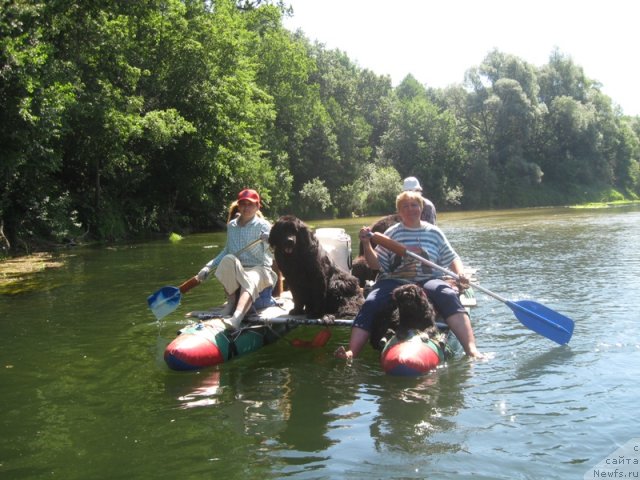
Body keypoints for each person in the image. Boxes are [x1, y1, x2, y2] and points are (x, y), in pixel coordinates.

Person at [335, 190, 482, 360]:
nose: (410, 209)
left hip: (428, 279)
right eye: (405, 206)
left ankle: (471, 349)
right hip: (394, 279)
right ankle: (352, 352)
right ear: (399, 211)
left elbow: (452, 257)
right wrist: (366, 244)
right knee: (372, 301)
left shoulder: (434, 233)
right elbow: (375, 264)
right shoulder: (391, 233)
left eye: (414, 205)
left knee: (447, 294)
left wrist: (460, 273)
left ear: (421, 208)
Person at [196, 188, 276, 329]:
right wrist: (207, 267)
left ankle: (236, 318)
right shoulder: (232, 225)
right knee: (228, 258)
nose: (246, 207)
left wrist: (270, 240)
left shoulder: (264, 225)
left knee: (251, 277)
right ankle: (231, 303)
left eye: (250, 204)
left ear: (257, 206)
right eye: (243, 204)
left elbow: (274, 251)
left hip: (260, 269)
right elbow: (227, 250)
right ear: (238, 205)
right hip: (239, 268)